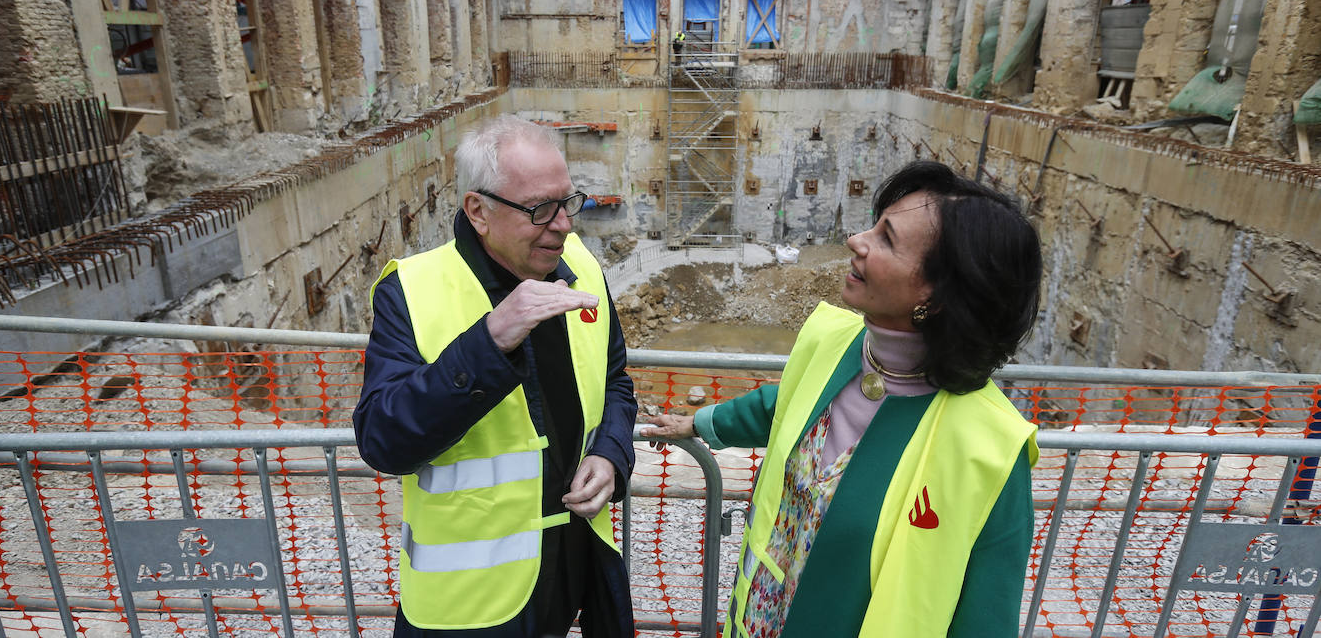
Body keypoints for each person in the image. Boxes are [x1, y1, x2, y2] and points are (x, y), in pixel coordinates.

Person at [643, 160, 1043, 638]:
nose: (857, 240)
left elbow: (987, 616)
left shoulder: (990, 449)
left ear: (936, 296)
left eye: (887, 238)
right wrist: (700, 424)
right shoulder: (833, 343)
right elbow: (786, 406)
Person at [354, 114, 637, 638]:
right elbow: (382, 442)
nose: (564, 225)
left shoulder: (580, 265)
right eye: (540, 209)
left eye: (567, 202)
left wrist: (611, 453)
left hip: (579, 568)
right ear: (478, 211)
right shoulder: (411, 292)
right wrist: (488, 342)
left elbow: (616, 381)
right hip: (471, 606)